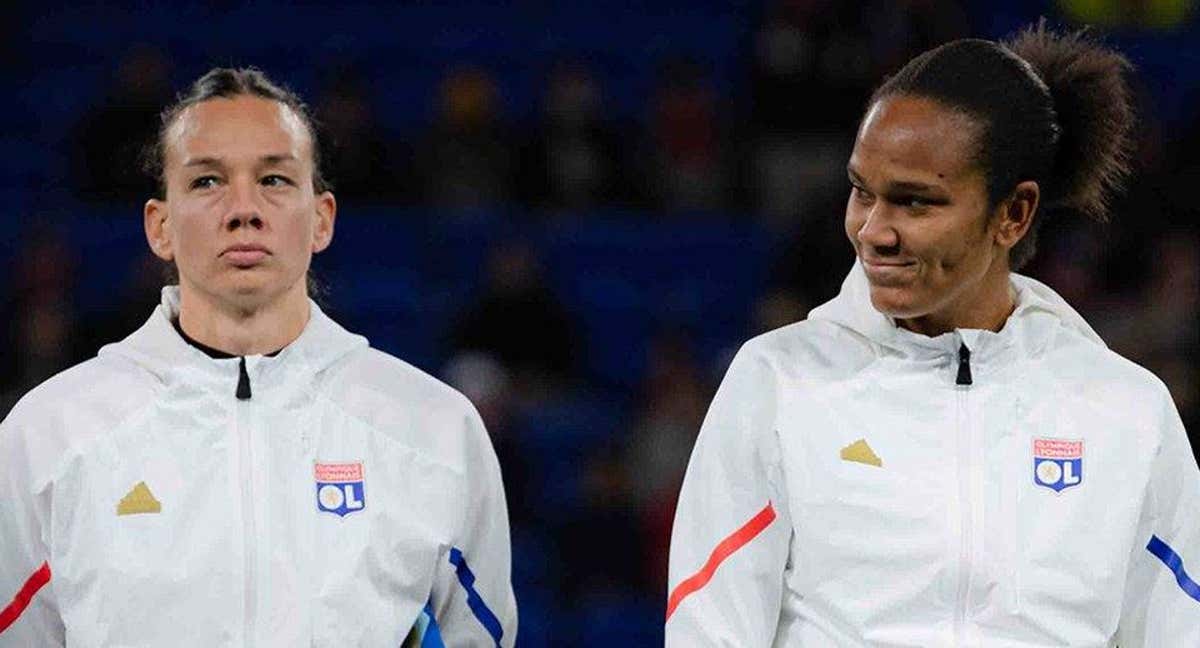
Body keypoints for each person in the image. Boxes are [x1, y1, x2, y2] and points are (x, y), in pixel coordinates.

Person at [667, 24, 1199, 646]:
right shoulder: (778, 384)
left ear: (1013, 213)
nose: (872, 230)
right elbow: (710, 628)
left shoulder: (1127, 413)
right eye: (862, 192)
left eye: (915, 203)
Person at [0, 68, 517, 647]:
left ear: (321, 218)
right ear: (160, 226)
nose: (243, 209)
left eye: (273, 179)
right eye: (206, 182)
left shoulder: (434, 431)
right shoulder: (48, 436)